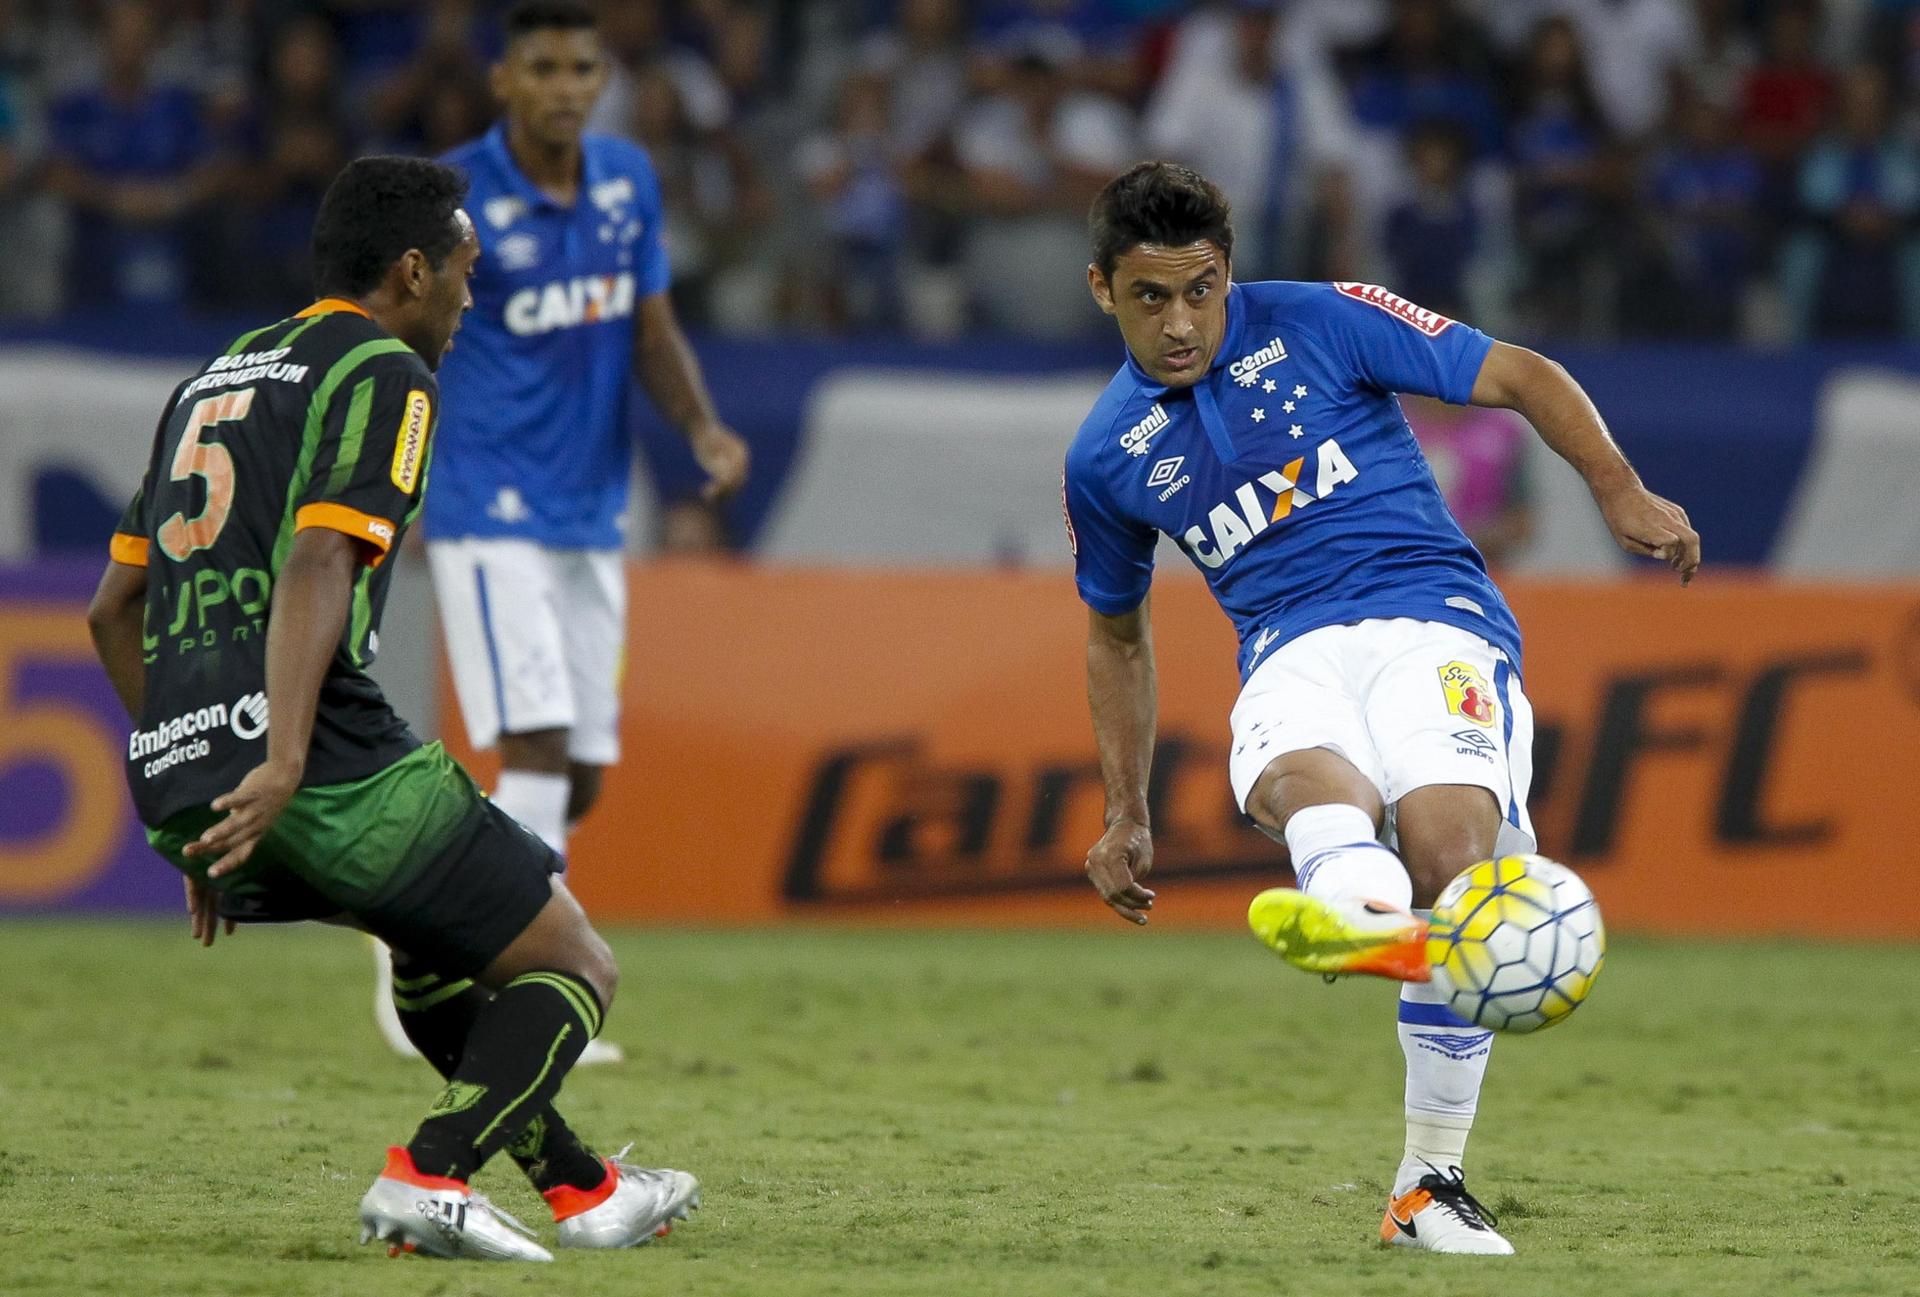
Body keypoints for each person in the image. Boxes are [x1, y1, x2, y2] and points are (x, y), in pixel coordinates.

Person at [1063, 162, 1698, 1256]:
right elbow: (1116, 631)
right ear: (1100, 291)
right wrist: (1126, 807)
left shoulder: (1321, 318)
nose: (1180, 323)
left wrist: (1615, 485)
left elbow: (1522, 374)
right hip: (1286, 651)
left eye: (1201, 289)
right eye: (1149, 298)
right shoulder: (1102, 455)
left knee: (1455, 852)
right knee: (1312, 787)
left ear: (1230, 274)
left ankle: (1423, 1179)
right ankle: (1367, 916)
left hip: (1432, 617)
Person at [85, 155, 698, 1262]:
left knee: (432, 949)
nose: (471, 296)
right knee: (575, 964)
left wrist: (197, 783)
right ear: (412, 271)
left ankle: (584, 1188)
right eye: (465, 271)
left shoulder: (211, 378)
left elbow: (111, 611)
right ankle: (431, 1173)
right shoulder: (383, 371)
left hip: (182, 779)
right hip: (317, 756)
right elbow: (321, 557)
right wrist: (275, 755)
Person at [404, 0, 750, 1063]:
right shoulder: (454, 199)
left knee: (582, 769)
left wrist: (700, 424)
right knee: (540, 744)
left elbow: (648, 325)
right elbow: (403, 332)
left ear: (604, 79)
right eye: (544, 67)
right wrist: (401, 471)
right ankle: (521, 985)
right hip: (486, 505)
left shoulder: (626, 181)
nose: (565, 86)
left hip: (590, 510)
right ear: (503, 79)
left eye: (582, 68)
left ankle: (420, 930)